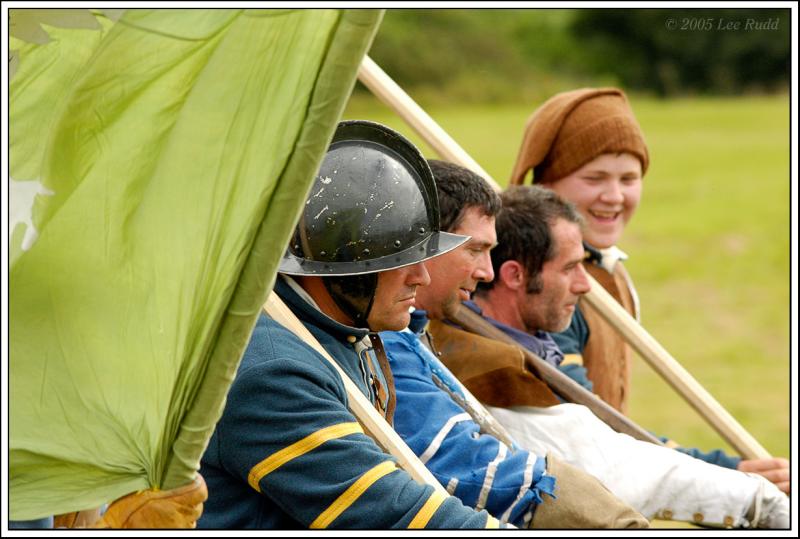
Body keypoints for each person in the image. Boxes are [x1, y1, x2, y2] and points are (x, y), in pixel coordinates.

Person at [425, 179, 788, 528]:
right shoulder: (492, 368)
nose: (585, 285)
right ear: (516, 276)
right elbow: (614, 468)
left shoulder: (514, 346)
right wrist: (758, 499)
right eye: (570, 268)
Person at [197, 120, 505, 529]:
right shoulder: (271, 373)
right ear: (345, 267)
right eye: (399, 261)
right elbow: (392, 515)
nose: (422, 277)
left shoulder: (341, 333)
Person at [508, 88, 789, 492]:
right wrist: (725, 473)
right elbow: (598, 425)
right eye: (594, 178)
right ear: (545, 183)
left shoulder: (609, 268)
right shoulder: (546, 288)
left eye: (629, 178)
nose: (614, 195)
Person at [379, 160, 648, 529]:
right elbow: (462, 462)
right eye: (475, 249)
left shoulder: (410, 334)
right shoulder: (385, 345)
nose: (486, 271)